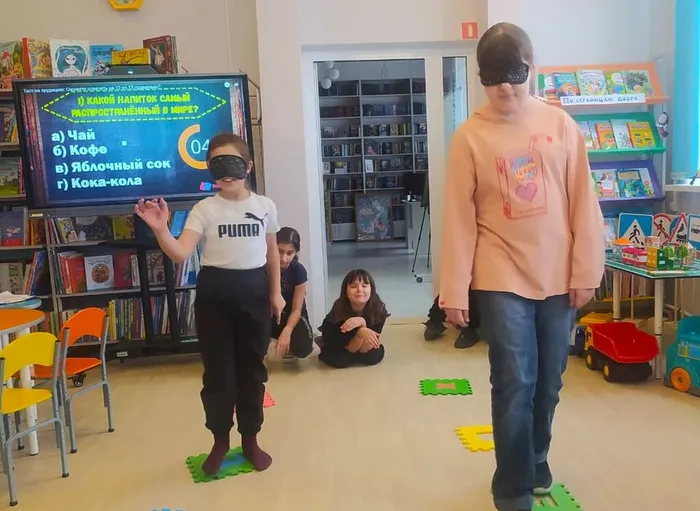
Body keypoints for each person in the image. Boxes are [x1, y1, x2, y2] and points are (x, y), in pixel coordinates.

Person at [438, 23, 605, 511]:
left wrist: (586, 271)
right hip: (500, 275)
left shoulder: (561, 126)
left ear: (532, 68)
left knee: (549, 381)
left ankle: (536, 455)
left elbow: (584, 204)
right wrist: (454, 289)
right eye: (492, 77)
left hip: (558, 276)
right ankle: (511, 488)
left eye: (513, 75)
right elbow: (459, 219)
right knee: (514, 379)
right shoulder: (469, 137)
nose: (504, 88)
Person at [134, 132, 283, 475]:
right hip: (215, 294)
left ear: (248, 166)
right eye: (217, 164)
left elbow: (272, 252)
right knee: (219, 375)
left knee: (252, 372)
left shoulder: (265, 206)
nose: (226, 172)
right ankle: (220, 441)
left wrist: (275, 293)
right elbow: (180, 253)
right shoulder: (205, 209)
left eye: (232, 163)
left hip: (254, 292)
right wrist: (161, 230)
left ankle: (250, 439)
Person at [268, 226, 320, 361]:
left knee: (303, 348)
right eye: (280, 251)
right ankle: (274, 342)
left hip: (293, 315)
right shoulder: (263, 267)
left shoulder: (298, 271)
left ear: (296, 252)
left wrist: (288, 330)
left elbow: (297, 310)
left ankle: (288, 343)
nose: (283, 258)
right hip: (270, 314)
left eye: (289, 253)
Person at [318, 269, 387, 368]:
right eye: (353, 286)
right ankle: (321, 342)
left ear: (372, 290)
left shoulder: (379, 310)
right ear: (345, 291)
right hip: (339, 344)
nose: (359, 290)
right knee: (342, 360)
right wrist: (360, 332)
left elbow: (364, 349)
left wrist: (362, 324)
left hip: (359, 345)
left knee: (374, 356)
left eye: (364, 286)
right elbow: (351, 349)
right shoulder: (338, 310)